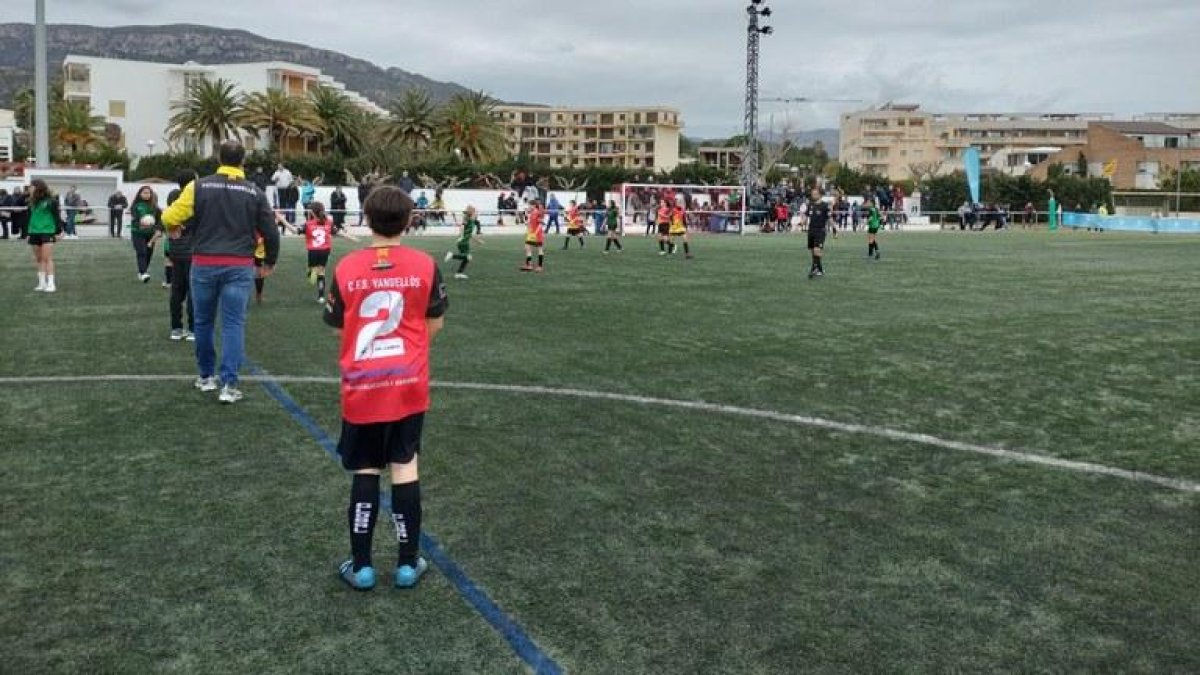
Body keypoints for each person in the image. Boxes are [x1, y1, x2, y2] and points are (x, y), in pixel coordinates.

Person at [323, 185, 447, 591]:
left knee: (366, 469)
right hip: (409, 382)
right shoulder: (425, 264)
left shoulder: (345, 268)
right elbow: (434, 323)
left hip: (363, 384)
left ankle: (361, 566)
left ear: (365, 218)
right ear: (410, 220)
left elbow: (340, 325)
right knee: (405, 466)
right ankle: (408, 564)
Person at [162, 140, 280, 404]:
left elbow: (169, 217)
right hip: (239, 265)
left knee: (203, 321)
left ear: (218, 158)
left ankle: (206, 377)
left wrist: (179, 226)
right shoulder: (254, 191)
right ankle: (229, 385)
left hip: (203, 262)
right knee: (233, 324)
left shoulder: (198, 186)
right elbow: (270, 230)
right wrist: (269, 260)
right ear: (243, 161)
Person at [166, 172, 197, 341]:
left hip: (176, 251)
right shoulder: (193, 199)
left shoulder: (173, 196)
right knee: (194, 291)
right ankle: (193, 329)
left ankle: (176, 328)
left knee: (177, 291)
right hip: (193, 251)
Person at [27, 179, 62, 293]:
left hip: (47, 231)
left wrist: (58, 232)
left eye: (31, 186)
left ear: (38, 187)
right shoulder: (31, 202)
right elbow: (29, 218)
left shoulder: (51, 201)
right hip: (34, 232)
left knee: (47, 258)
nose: (29, 188)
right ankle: (42, 283)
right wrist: (28, 233)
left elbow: (57, 217)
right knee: (39, 259)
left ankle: (51, 284)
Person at [129, 186, 162, 283]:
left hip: (151, 235)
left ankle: (142, 272)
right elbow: (135, 219)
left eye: (148, 193)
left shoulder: (155, 207)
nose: (147, 194)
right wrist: (142, 222)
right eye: (144, 192)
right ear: (140, 194)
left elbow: (160, 220)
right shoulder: (136, 206)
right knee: (141, 252)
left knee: (149, 253)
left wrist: (159, 229)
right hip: (138, 233)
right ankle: (143, 273)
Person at [305, 201, 334, 303]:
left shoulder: (308, 224)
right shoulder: (329, 222)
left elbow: (296, 230)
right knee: (321, 272)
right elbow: (336, 231)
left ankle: (312, 275)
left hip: (313, 251)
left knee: (312, 275)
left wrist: (282, 220)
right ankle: (321, 297)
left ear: (312, 212)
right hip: (325, 251)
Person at [444, 205, 482, 279]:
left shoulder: (471, 221)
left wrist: (478, 241)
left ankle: (459, 273)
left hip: (464, 242)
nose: (476, 214)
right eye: (475, 212)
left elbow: (470, 235)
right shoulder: (468, 220)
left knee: (467, 258)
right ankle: (452, 255)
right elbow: (462, 227)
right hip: (463, 242)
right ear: (472, 213)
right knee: (468, 257)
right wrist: (461, 236)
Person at [805, 189, 830, 279]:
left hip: (820, 230)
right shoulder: (810, 205)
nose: (813, 195)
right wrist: (802, 222)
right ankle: (820, 269)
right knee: (813, 252)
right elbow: (806, 215)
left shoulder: (824, 206)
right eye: (812, 194)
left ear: (820, 195)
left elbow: (829, 218)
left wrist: (834, 229)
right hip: (811, 230)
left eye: (815, 194)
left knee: (817, 250)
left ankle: (814, 269)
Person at [521, 199, 546, 272]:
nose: (528, 206)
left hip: (537, 234)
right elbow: (529, 223)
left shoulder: (537, 212)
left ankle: (539, 266)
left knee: (539, 249)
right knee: (527, 247)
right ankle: (529, 264)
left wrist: (536, 233)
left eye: (529, 205)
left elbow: (541, 224)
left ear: (533, 205)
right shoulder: (532, 213)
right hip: (531, 233)